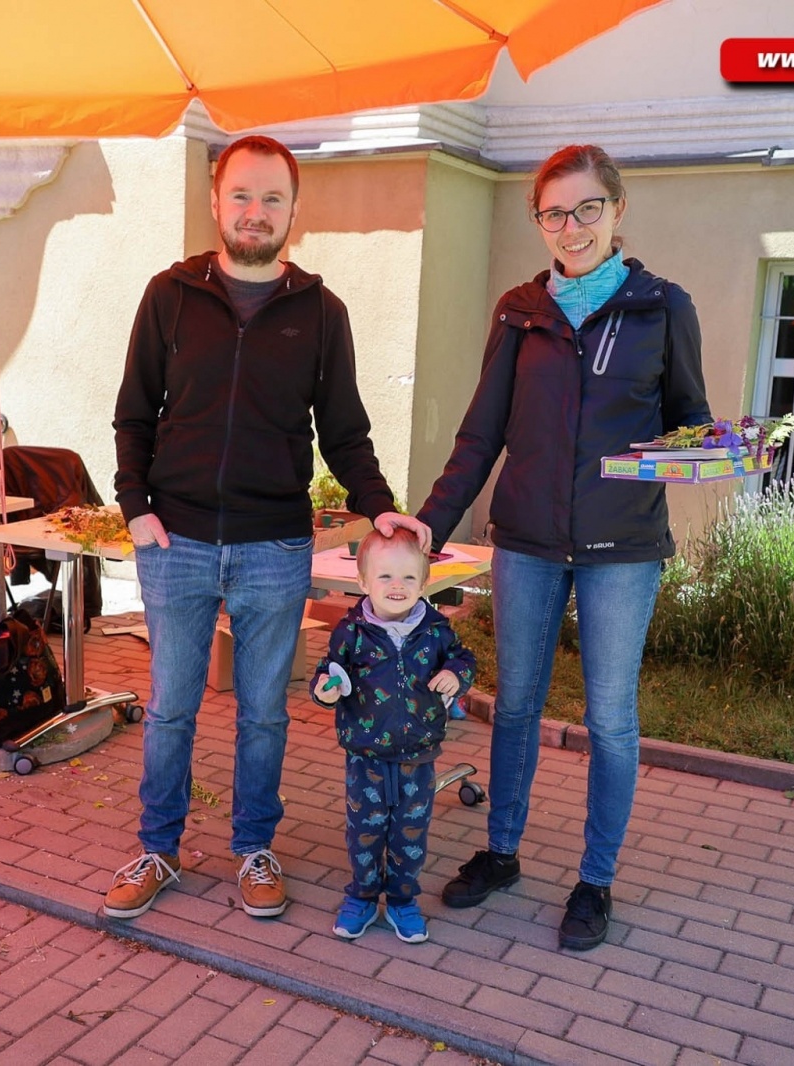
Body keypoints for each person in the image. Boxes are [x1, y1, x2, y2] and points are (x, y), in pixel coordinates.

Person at [107, 134, 430, 920]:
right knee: (171, 710)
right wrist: (136, 507)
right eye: (242, 196)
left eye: (272, 198)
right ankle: (158, 847)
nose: (256, 212)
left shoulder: (320, 312)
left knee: (262, 715)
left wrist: (378, 501)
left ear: (293, 211)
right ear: (216, 202)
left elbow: (344, 429)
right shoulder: (169, 296)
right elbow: (134, 413)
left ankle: (254, 848)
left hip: (274, 547)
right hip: (176, 542)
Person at [415, 145, 712, 951]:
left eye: (587, 208)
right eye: (554, 212)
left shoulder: (662, 308)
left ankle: (595, 880)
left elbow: (689, 420)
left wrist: (722, 450)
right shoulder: (519, 312)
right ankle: (501, 852)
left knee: (610, 719)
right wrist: (429, 525)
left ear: (617, 211)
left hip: (624, 548)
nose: (571, 226)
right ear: (538, 221)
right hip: (529, 543)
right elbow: (482, 434)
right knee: (516, 704)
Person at [312, 530, 475, 943]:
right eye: (385, 576)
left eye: (408, 577)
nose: (397, 586)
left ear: (424, 583)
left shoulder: (436, 631)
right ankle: (363, 896)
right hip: (365, 755)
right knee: (364, 830)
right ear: (363, 581)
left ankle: (402, 900)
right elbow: (329, 671)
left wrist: (454, 674)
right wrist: (324, 690)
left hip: (418, 755)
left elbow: (463, 660)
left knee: (410, 833)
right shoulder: (351, 632)